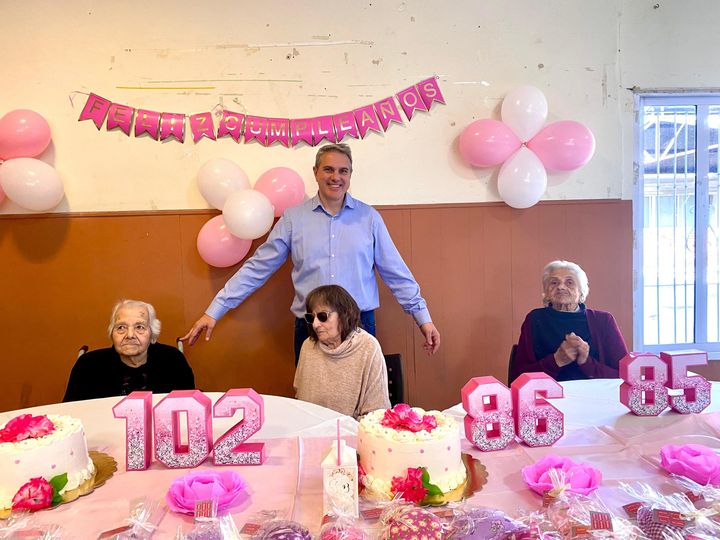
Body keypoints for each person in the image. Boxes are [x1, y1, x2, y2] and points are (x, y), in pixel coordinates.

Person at [182, 143, 441, 363]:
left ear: (351, 175)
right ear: (315, 172)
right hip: (310, 326)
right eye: (328, 169)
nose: (335, 177)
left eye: (343, 171)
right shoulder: (294, 219)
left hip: (359, 324)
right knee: (311, 407)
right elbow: (258, 268)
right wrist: (214, 310)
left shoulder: (369, 218)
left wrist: (423, 319)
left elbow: (396, 273)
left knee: (362, 406)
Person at [510, 260, 628, 383]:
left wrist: (586, 362)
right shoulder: (534, 319)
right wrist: (556, 360)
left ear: (581, 291)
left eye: (569, 282)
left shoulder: (603, 321)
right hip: (548, 398)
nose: (560, 287)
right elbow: (519, 377)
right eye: (554, 282)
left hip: (594, 397)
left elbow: (624, 376)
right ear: (546, 292)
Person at [63, 299, 195, 401]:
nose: (130, 335)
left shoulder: (173, 361)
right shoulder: (88, 365)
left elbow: (189, 409)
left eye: (139, 327)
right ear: (112, 333)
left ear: (152, 333)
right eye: (121, 327)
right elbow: (71, 414)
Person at [294, 285, 390, 418]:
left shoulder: (368, 347)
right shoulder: (308, 346)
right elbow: (299, 396)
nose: (315, 324)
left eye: (322, 316)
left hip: (352, 434)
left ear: (344, 314)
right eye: (311, 318)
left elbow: (376, 414)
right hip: (311, 432)